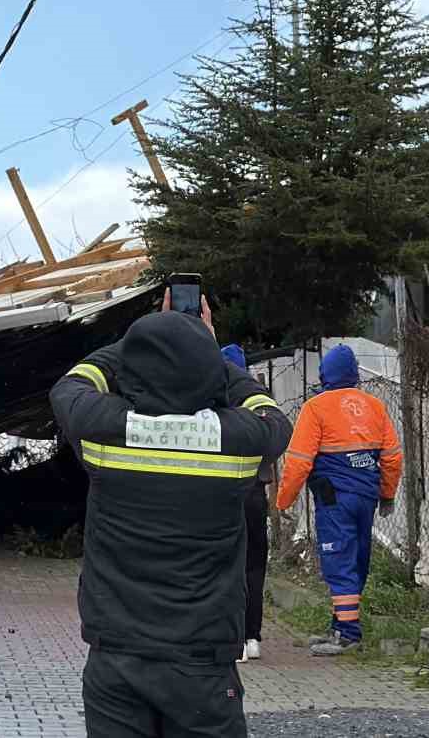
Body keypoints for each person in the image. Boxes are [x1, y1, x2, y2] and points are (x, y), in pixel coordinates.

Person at [50, 291, 291, 738]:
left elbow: (71, 386)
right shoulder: (234, 441)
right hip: (201, 661)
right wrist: (205, 344)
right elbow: (270, 413)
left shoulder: (106, 434)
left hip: (116, 657)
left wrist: (137, 341)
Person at [274, 344, 402, 656]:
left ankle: (347, 634)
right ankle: (340, 625)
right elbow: (393, 458)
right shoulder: (375, 407)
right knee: (357, 559)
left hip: (334, 497)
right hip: (367, 496)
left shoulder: (316, 408)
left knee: (338, 559)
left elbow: (299, 460)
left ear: (325, 375)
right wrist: (387, 494)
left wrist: (283, 500)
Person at [221, 343, 271, 664]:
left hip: (225, 495)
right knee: (255, 566)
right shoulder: (258, 403)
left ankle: (235, 637)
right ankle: (253, 637)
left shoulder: (213, 404)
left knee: (229, 567)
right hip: (256, 493)